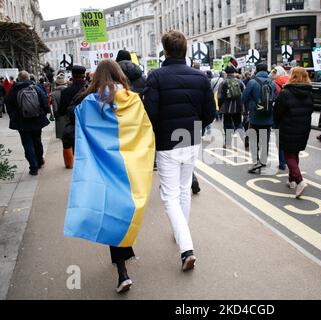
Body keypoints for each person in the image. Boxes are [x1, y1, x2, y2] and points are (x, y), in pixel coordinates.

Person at [64, 59, 155, 294]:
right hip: (129, 168)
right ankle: (124, 258)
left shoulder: (88, 104)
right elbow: (145, 131)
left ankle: (122, 272)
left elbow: (76, 127)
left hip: (102, 169)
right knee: (124, 209)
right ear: (119, 75)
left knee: (110, 212)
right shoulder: (133, 100)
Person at [143, 31, 216, 271]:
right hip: (192, 139)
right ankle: (181, 231)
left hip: (167, 142)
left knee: (169, 196)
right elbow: (209, 114)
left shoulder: (155, 77)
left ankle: (186, 249)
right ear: (185, 50)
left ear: (165, 51)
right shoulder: (201, 77)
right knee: (184, 190)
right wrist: (196, 127)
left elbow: (150, 115)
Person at [274, 67, 314, 198]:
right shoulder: (309, 92)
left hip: (288, 127)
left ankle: (299, 181)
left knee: (288, 155)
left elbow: (277, 111)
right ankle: (291, 180)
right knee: (294, 152)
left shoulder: (286, 92)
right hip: (303, 128)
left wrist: (276, 124)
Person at [5, 71, 50, 175]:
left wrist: (14, 117)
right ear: (28, 78)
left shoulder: (14, 90)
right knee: (37, 141)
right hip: (37, 120)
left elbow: (8, 105)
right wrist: (43, 113)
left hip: (22, 122)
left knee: (27, 144)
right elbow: (45, 102)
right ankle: (39, 161)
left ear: (19, 79)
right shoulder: (36, 88)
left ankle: (33, 167)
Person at [242, 63, 277, 174]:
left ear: (256, 70)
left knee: (253, 140)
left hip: (255, 116)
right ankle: (263, 160)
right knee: (265, 139)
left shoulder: (252, 82)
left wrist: (248, 109)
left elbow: (244, 98)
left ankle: (256, 161)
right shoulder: (272, 83)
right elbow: (276, 97)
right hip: (268, 116)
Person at [59, 65, 87, 167]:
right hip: (89, 125)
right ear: (84, 75)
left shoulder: (65, 92)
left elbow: (61, 111)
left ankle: (72, 165)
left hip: (73, 125)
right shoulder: (91, 89)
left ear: (72, 75)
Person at [218, 65, 245, 148]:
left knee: (227, 125)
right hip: (238, 107)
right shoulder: (240, 82)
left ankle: (228, 143)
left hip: (226, 108)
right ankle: (245, 139)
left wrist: (220, 106)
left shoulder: (223, 83)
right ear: (234, 72)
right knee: (239, 123)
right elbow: (244, 93)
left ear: (226, 73)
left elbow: (220, 97)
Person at [271, 66, 289, 171]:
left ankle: (282, 163)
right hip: (290, 115)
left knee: (280, 140)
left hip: (279, 115)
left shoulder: (274, 83)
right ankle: (290, 160)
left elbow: (273, 99)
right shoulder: (291, 81)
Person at [51, 74, 69, 166]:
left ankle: (67, 160)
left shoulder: (53, 94)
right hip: (68, 115)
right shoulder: (68, 91)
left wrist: (55, 116)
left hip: (60, 117)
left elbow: (55, 107)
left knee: (63, 139)